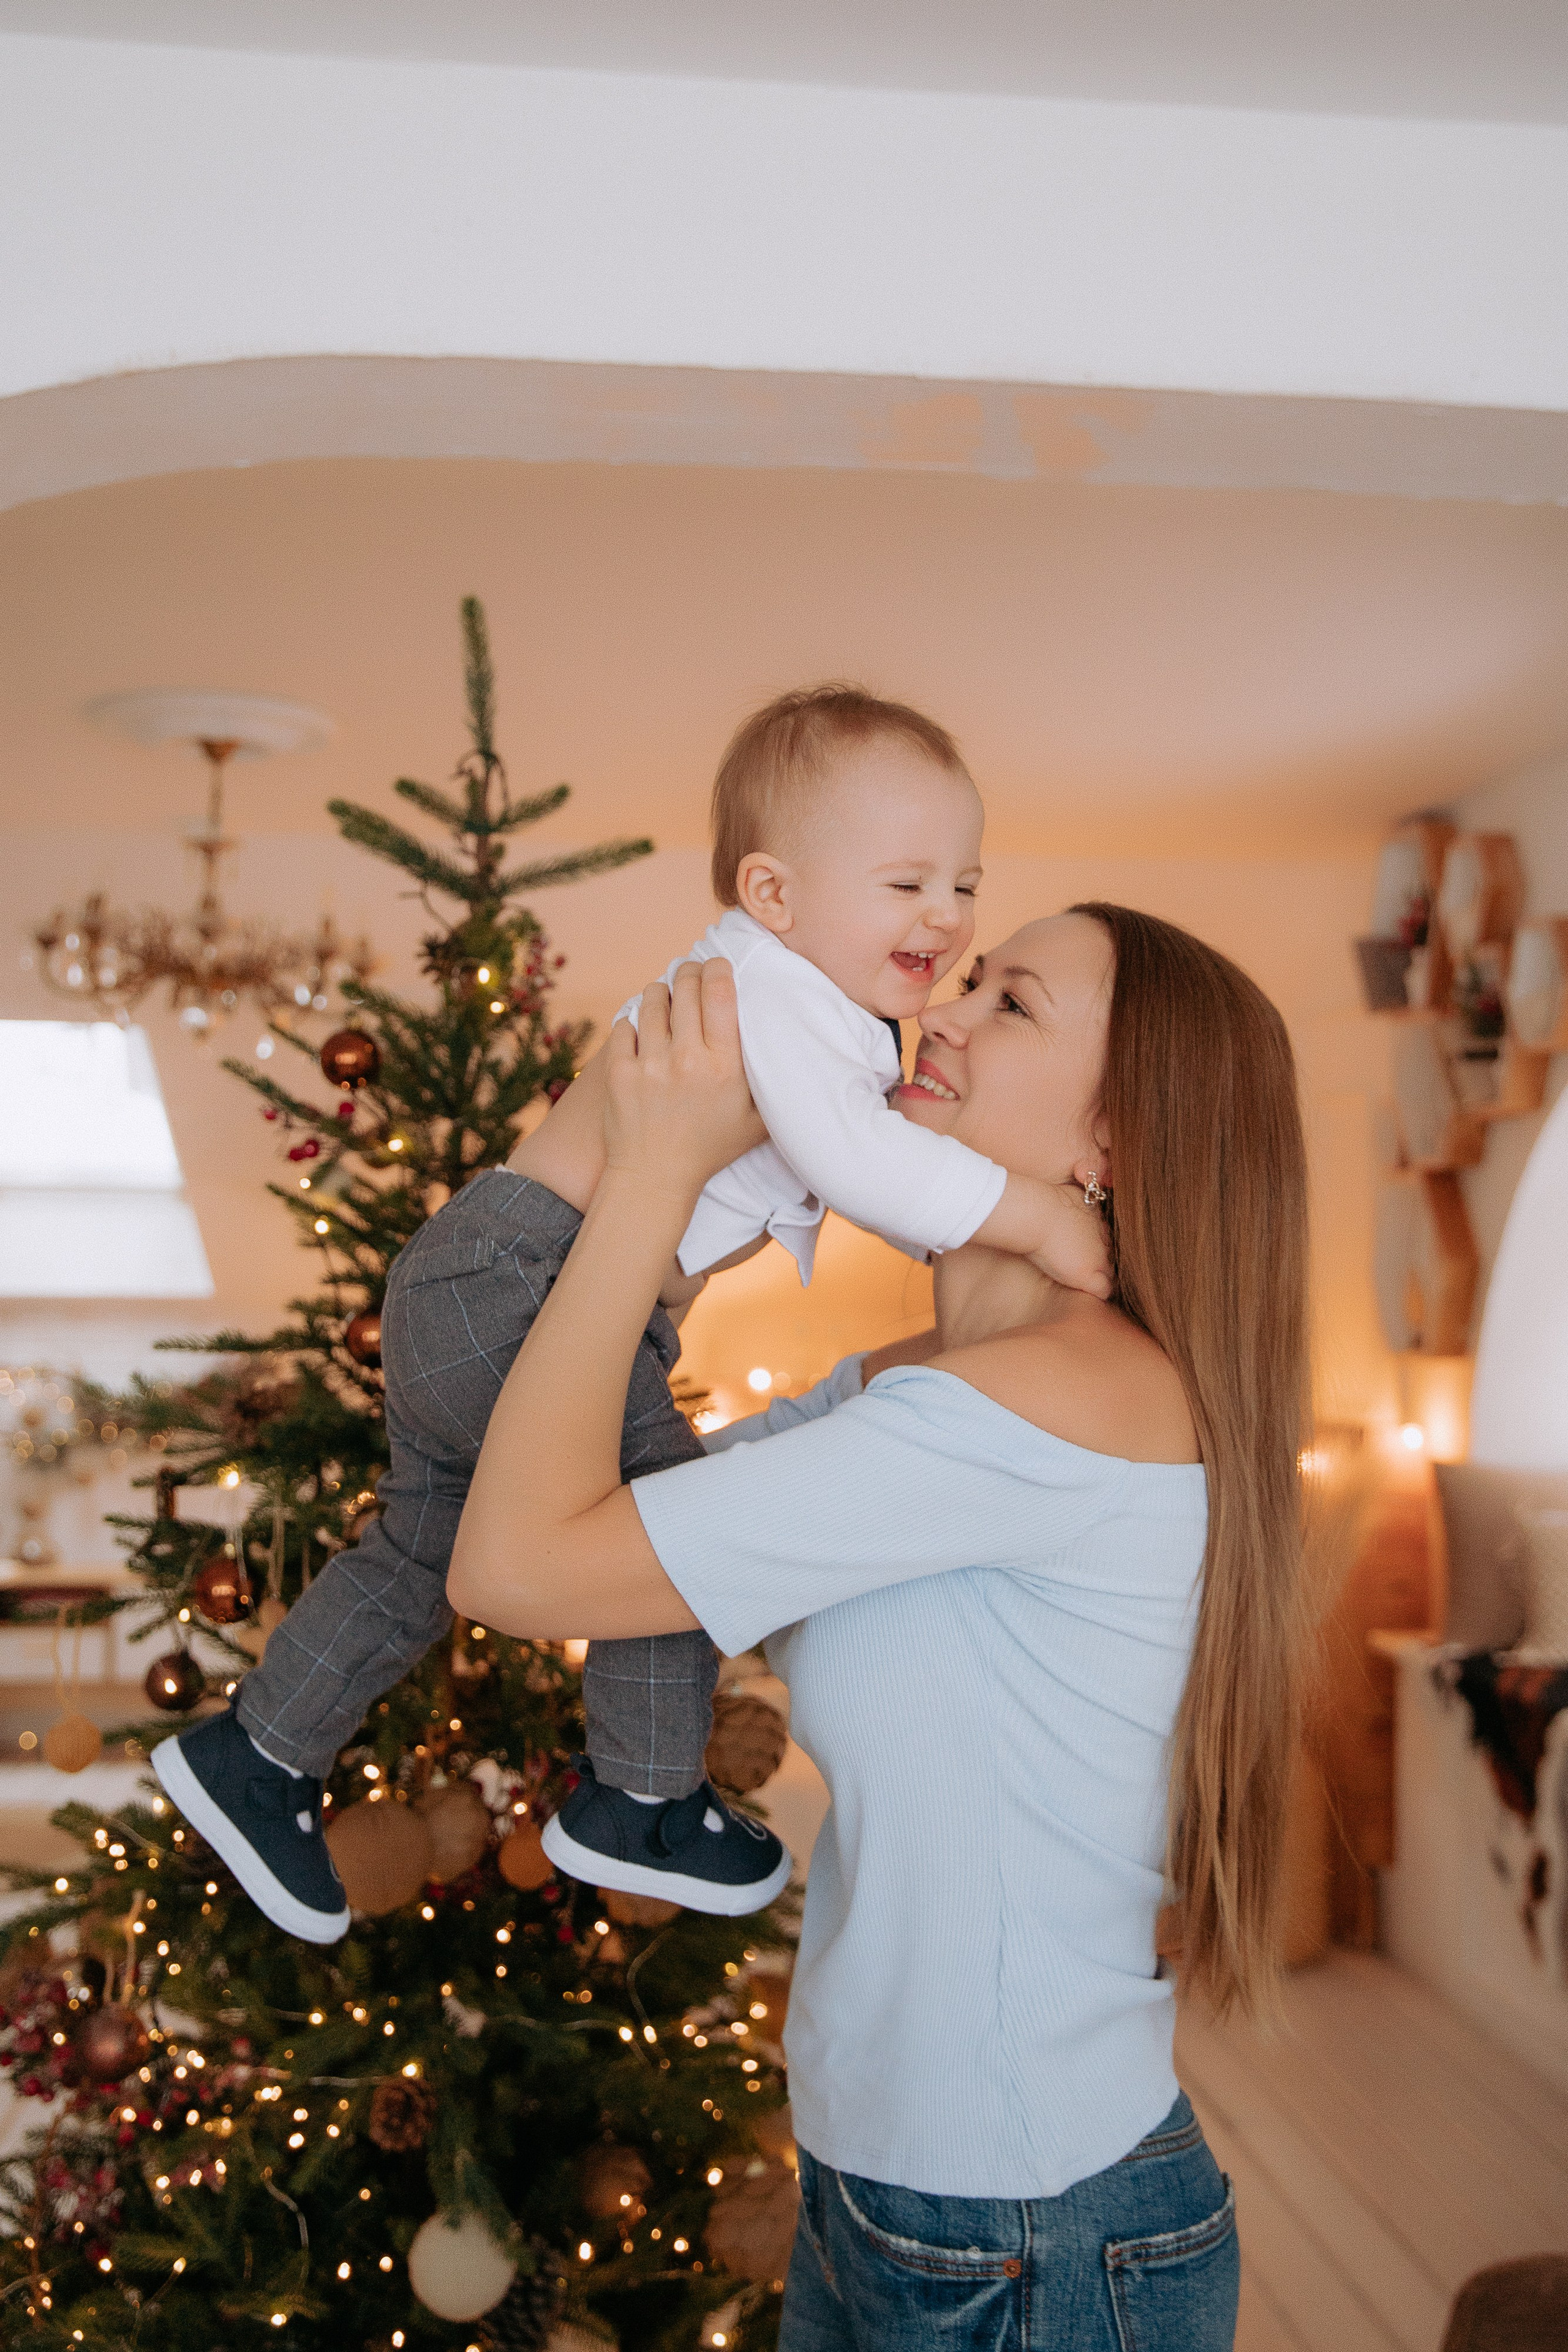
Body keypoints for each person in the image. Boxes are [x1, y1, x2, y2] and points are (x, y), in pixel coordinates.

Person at [447, 909, 1311, 2350]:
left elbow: (517, 1568)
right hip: (887, 2187)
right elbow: (588, 1513)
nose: (942, 1012)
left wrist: (655, 1179)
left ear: (1116, 1144)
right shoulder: (910, 1390)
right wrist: (690, 1203)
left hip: (1022, 2232)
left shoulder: (1038, 1410)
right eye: (967, 979)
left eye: (1010, 1002)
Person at [151, 687, 1106, 1942]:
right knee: (663, 1535)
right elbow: (866, 1169)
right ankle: (636, 1798)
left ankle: (260, 1754)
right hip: (523, 1285)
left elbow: (850, 1165)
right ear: (774, 897)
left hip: (493, 1281)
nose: (944, 918)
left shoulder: (812, 1005)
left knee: (420, 1552)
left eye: (962, 885)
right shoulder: (777, 999)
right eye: (905, 884)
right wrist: (1038, 1220)